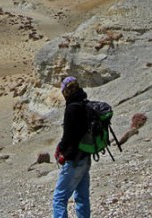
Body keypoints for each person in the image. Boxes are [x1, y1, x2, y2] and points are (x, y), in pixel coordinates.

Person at [53, 76, 91, 218]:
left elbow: (69, 137)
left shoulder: (71, 108)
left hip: (73, 159)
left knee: (59, 198)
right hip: (86, 157)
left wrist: (61, 150)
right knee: (82, 196)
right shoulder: (84, 104)